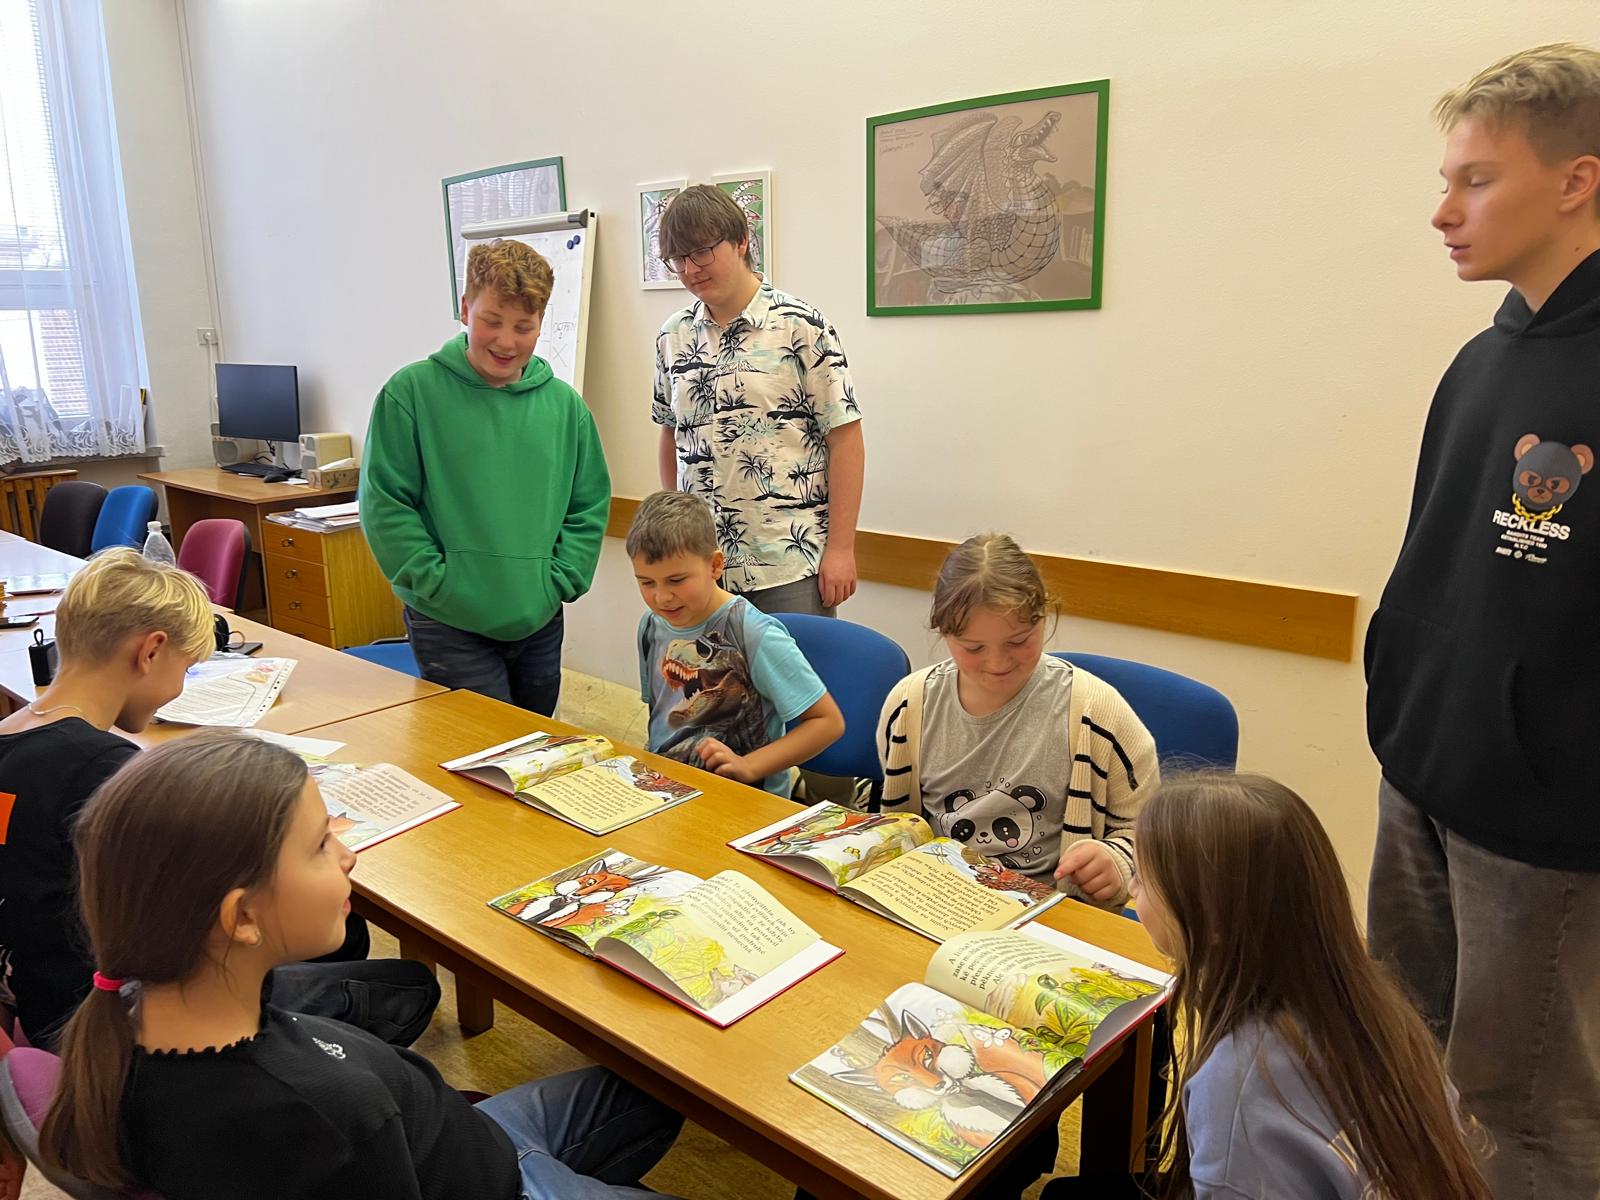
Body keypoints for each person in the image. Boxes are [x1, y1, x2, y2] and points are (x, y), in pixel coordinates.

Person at [34, 732, 684, 1199]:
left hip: (460, 1136)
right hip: (498, 1179)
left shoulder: (135, 1014)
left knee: (659, 1083)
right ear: (242, 917)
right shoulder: (327, 1114)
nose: (347, 855)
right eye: (321, 844)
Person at [1363, 42, 1600, 1198]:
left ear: (1575, 181)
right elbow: (1438, 566)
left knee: (1524, 1110)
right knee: (1402, 1053)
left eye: (1476, 180)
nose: (1443, 211)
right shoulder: (1479, 361)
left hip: (1542, 824)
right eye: (1446, 180)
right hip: (1419, 774)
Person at [0, 548, 437, 1051]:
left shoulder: (12, 735)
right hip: (111, 1019)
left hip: (38, 993)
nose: (178, 690)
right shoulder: (102, 768)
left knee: (342, 928)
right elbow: (195, 906)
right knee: (404, 983)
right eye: (186, 669)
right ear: (151, 651)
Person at [1045, 773, 1492, 1200]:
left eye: (1143, 880)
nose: (1132, 890)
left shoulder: (1237, 1084)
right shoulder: (1376, 1005)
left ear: (1211, 921)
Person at [363, 237, 611, 715]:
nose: (506, 341)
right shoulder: (410, 394)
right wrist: (435, 582)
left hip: (539, 618)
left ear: (541, 322)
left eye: (523, 327)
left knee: (536, 746)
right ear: (465, 309)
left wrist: (560, 579)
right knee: (480, 748)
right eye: (491, 321)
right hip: (447, 620)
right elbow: (386, 502)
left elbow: (588, 504)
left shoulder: (565, 408)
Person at [877, 533, 1156, 907]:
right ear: (943, 633)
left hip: (1051, 912)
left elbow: (1150, 833)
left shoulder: (1097, 711)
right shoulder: (910, 705)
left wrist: (1116, 862)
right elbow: (901, 823)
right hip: (940, 899)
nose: (997, 663)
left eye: (1018, 641)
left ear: (1045, 617)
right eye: (973, 647)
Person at [652, 184, 864, 617]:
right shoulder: (672, 335)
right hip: (701, 565)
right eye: (678, 259)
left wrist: (841, 549)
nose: (690, 269)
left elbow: (845, 440)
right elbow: (671, 434)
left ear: (742, 240)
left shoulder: (801, 326)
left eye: (702, 252)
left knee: (797, 665)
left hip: (788, 565)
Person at [627, 490, 843, 796]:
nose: (661, 597)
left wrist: (749, 765)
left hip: (747, 799)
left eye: (676, 580)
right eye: (646, 582)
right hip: (671, 789)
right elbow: (661, 721)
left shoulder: (754, 632)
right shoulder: (651, 625)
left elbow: (828, 722)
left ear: (715, 565)